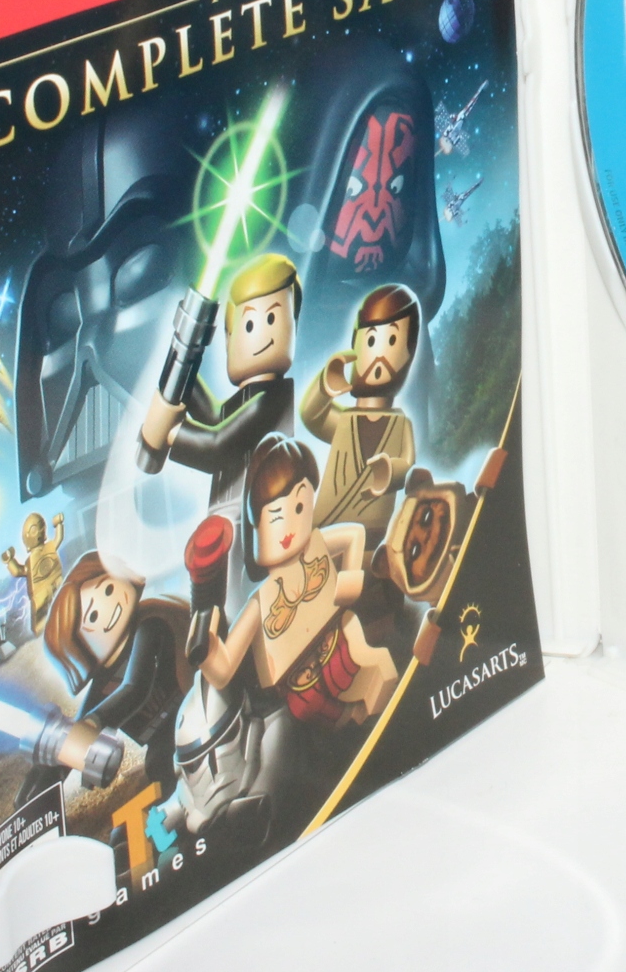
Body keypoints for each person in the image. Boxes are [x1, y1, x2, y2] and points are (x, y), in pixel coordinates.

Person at [195, 434, 395, 729]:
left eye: (299, 507)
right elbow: (224, 669)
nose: (289, 526)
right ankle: (349, 719)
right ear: (258, 526)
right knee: (309, 708)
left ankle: (375, 688)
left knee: (358, 643)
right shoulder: (260, 601)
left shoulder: (316, 544)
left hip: (338, 640)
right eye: (276, 515)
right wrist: (209, 653)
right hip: (300, 684)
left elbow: (354, 534)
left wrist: (349, 577)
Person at [139, 253, 302, 507]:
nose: (260, 334)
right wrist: (184, 371)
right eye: (249, 325)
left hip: (257, 518)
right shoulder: (251, 398)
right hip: (226, 514)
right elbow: (217, 418)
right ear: (228, 337)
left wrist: (170, 431)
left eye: (271, 319)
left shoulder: (271, 400)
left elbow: (217, 448)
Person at [32, 549, 190, 797]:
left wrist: (94, 722)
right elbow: (75, 738)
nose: (111, 605)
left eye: (107, 589)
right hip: (164, 736)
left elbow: (135, 688)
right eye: (93, 617)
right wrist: (42, 783)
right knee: (159, 765)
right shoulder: (103, 682)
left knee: (167, 763)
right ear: (81, 648)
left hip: (194, 706)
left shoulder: (149, 625)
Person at [298, 283, 421, 547]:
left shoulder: (401, 424)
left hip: (372, 535)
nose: (379, 356)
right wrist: (325, 385)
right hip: (325, 530)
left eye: (392, 341)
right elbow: (311, 415)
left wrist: (391, 472)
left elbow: (408, 463)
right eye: (372, 340)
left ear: (408, 351)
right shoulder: (344, 421)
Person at [1, 511, 67, 617]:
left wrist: (58, 524)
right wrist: (9, 561)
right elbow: (18, 571)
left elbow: (18, 571)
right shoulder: (32, 561)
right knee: (43, 619)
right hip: (40, 597)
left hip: (57, 585)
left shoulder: (49, 548)